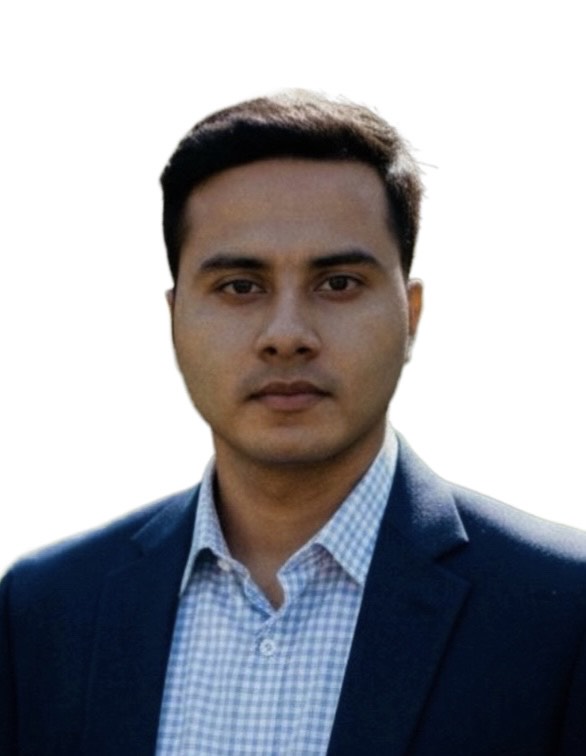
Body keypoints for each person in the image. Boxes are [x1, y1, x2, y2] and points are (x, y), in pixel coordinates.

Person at [1, 91, 586, 756]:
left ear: (411, 315)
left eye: (337, 283)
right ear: (174, 317)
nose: (286, 335)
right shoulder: (46, 611)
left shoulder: (561, 610)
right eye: (240, 287)